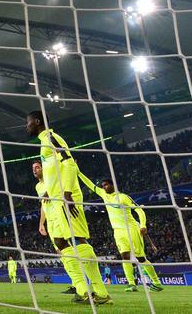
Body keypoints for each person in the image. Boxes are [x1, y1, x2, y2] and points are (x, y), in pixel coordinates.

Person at [25, 110, 110, 305]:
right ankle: (82, 290)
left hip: (65, 197)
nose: (26, 126)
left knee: (77, 239)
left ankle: (101, 292)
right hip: (56, 199)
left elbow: (70, 163)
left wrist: (68, 192)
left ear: (37, 122)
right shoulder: (43, 141)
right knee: (61, 243)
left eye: (28, 122)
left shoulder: (51, 137)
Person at [79, 173, 162, 293]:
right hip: (118, 232)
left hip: (131, 229)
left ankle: (156, 282)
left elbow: (139, 210)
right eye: (103, 185)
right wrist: (76, 171)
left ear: (113, 185)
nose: (104, 187)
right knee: (125, 257)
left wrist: (143, 225)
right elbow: (90, 185)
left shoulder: (123, 197)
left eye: (106, 185)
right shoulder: (104, 195)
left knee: (140, 258)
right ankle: (131, 284)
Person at [34, 161, 78, 295]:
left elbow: (62, 185)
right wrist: (41, 223)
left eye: (37, 167)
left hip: (60, 217)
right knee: (61, 254)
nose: (35, 170)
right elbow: (43, 205)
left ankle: (79, 283)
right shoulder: (37, 186)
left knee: (69, 251)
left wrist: (49, 191)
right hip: (51, 223)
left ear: (43, 168)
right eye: (33, 169)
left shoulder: (51, 178)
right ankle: (75, 283)